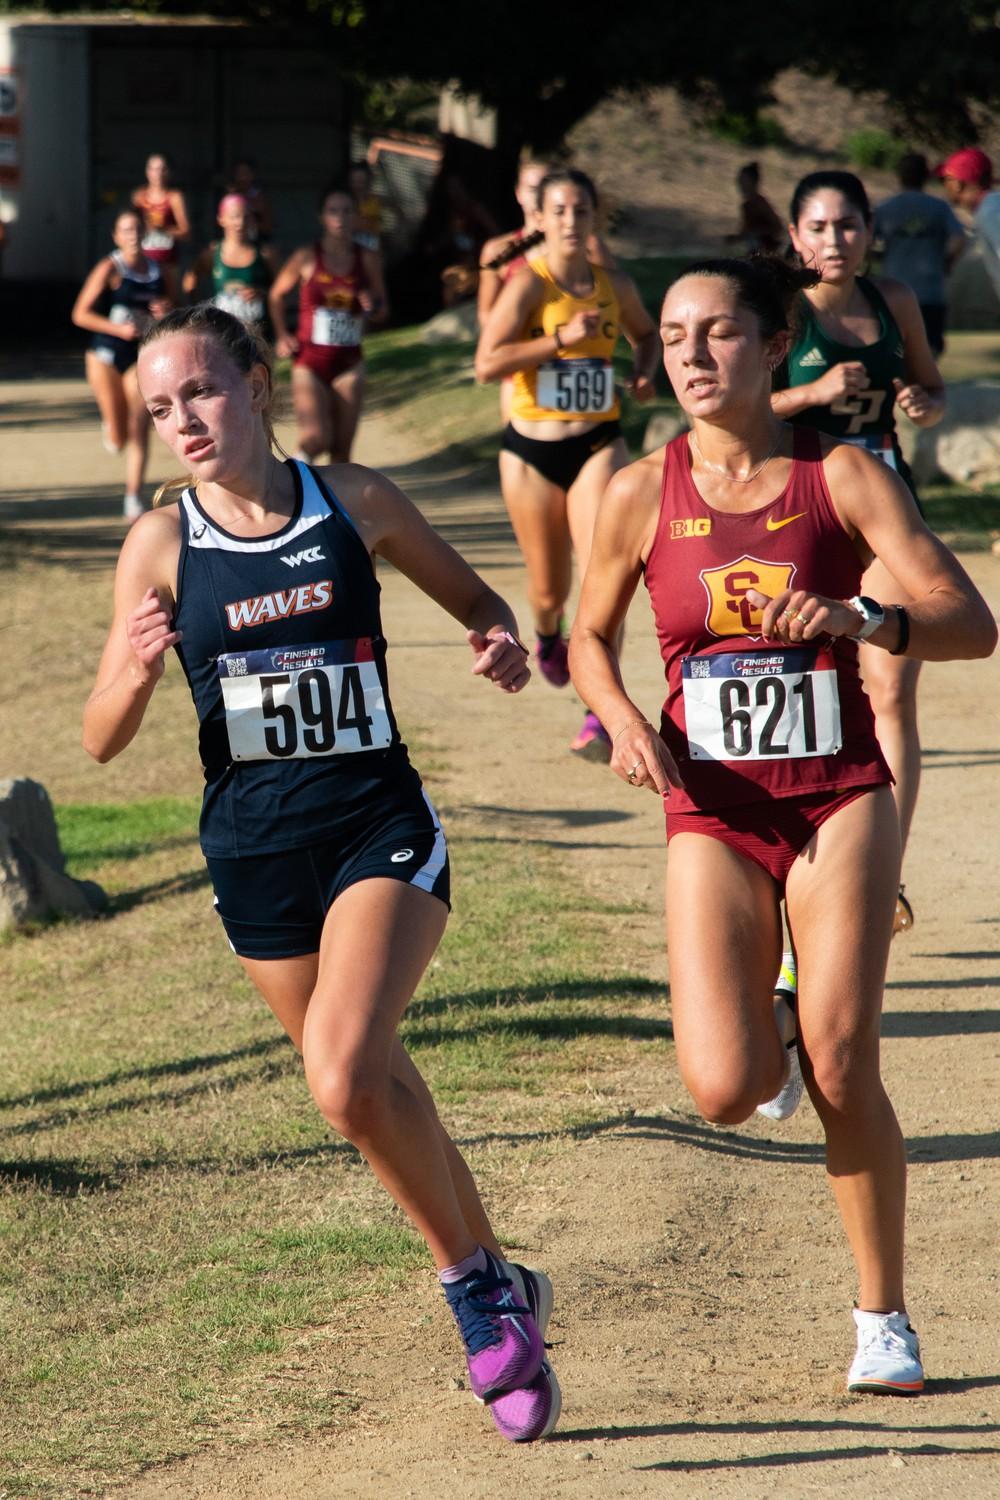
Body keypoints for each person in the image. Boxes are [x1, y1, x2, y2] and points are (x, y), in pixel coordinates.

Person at [82, 303, 560, 1445]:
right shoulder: (158, 543)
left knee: (343, 1081)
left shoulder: (354, 499)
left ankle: (469, 1294)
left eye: (198, 391)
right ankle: (509, 1286)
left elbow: (480, 604)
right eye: (159, 409)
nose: (182, 421)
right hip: (252, 857)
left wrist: (496, 639)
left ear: (253, 383)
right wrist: (140, 675)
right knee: (379, 1084)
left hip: (374, 830)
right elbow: (97, 735)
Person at [569, 254, 995, 1396]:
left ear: (769, 348)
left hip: (836, 795)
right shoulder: (632, 491)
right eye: (672, 336)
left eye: (717, 334)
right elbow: (584, 633)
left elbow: (969, 620)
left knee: (844, 1062)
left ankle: (882, 1320)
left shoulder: (841, 475)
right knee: (722, 1086)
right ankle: (771, 1007)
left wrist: (868, 616)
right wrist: (616, 717)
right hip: (710, 810)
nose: (693, 356)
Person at [771, 170, 946, 933]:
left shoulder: (894, 301)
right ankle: (798, 871)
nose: (834, 242)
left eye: (848, 227)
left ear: (869, 231)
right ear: (795, 235)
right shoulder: (779, 313)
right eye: (818, 228)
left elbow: (932, 388)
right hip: (801, 515)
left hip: (885, 506)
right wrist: (809, 397)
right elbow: (738, 409)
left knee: (893, 690)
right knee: (808, 692)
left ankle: (885, 879)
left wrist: (921, 401)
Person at [476, 168, 659, 759]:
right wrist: (558, 341)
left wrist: (642, 371)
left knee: (600, 576)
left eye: (582, 210)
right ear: (542, 218)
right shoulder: (530, 284)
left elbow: (646, 335)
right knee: (549, 589)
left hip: (596, 444)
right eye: (560, 211)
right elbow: (487, 362)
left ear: (593, 217)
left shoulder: (615, 284)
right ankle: (550, 634)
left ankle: (600, 713)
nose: (572, 222)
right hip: (531, 449)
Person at [478, 159, 617, 424]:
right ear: (518, 193)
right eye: (532, 188)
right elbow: (486, 312)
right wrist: (518, 344)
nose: (537, 195)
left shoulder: (589, 247)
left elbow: (615, 299)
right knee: (522, 438)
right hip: (521, 366)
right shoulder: (498, 251)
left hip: (577, 362)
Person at [268, 183, 387, 464]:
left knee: (342, 451)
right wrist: (283, 334)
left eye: (347, 211)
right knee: (317, 437)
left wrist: (372, 306)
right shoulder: (307, 257)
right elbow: (276, 295)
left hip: (349, 362)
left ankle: (332, 507)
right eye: (333, 211)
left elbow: (383, 309)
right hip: (310, 362)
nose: (340, 218)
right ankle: (290, 480)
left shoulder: (366, 259)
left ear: (356, 216)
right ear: (321, 217)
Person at [71, 207, 170, 522]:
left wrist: (164, 311)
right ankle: (111, 427)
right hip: (104, 355)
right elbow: (80, 314)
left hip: (137, 356)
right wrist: (118, 329)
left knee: (139, 424)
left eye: (138, 230)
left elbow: (174, 311)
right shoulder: (109, 268)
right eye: (126, 230)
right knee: (117, 438)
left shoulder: (158, 271)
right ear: (116, 236)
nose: (134, 236)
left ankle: (132, 497)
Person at [873, 153, 966, 354]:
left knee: (895, 345)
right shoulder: (939, 207)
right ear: (926, 176)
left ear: (899, 176)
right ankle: (925, 379)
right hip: (930, 290)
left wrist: (873, 262)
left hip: (894, 290)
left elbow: (866, 241)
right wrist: (947, 261)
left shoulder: (886, 208)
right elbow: (959, 238)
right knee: (931, 346)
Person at [183, 193, 277, 328]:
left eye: (246, 217)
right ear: (221, 219)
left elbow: (281, 293)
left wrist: (263, 293)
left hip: (258, 332)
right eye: (234, 217)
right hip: (224, 333)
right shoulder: (212, 253)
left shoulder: (266, 253)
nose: (240, 223)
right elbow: (190, 280)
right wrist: (199, 313)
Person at [936, 147, 1000, 305]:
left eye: (947, 179)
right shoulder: (990, 207)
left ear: (958, 183)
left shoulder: (990, 211)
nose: (945, 186)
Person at [131, 152, 190, 304]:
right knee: (142, 303)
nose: (157, 174)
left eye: (162, 169)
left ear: (169, 172)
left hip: (168, 262)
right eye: (153, 169)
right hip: (143, 261)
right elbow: (130, 225)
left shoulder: (174, 197)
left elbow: (186, 232)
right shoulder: (139, 197)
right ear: (147, 171)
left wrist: (162, 228)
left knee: (170, 304)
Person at [727, 162, 785, 254]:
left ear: (754, 182)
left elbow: (778, 227)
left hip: (767, 254)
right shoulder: (746, 206)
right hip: (754, 252)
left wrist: (758, 233)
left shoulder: (760, 204)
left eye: (745, 180)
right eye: (740, 180)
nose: (741, 184)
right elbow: (746, 231)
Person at [227, 157, 274, 243]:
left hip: (257, 242)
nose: (242, 177)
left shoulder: (261, 197)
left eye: (246, 173)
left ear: (253, 174)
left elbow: (268, 227)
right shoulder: (230, 197)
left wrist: (251, 222)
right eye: (239, 173)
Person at [349, 160, 382, 252]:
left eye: (361, 181)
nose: (357, 186)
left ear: (369, 181)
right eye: (353, 182)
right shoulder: (347, 202)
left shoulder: (376, 201)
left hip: (371, 248)